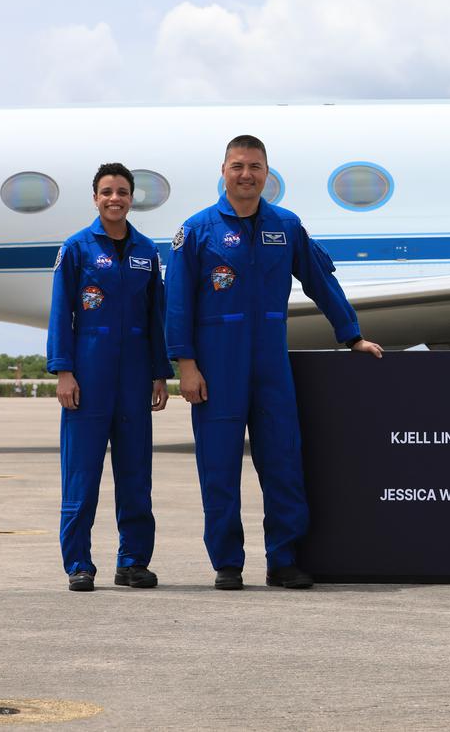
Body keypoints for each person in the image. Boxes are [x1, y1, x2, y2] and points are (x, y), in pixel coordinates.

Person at [164, 135, 383, 590]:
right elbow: (178, 305)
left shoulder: (285, 226)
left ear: (268, 174)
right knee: (219, 467)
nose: (247, 175)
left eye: (256, 167)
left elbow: (322, 283)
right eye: (238, 166)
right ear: (223, 171)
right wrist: (185, 364)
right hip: (217, 365)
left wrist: (353, 336)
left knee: (283, 461)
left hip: (269, 363)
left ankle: (283, 559)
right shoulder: (197, 230)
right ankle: (227, 563)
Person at [47, 163, 173, 592]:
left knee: (136, 474)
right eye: (106, 192)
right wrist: (64, 371)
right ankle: (79, 563)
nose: (114, 198)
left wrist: (160, 373)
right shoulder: (77, 248)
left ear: (131, 197)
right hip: (89, 372)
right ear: (95, 198)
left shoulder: (146, 250)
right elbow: (61, 313)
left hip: (136, 374)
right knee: (81, 475)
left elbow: (157, 316)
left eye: (122, 191)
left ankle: (133, 561)